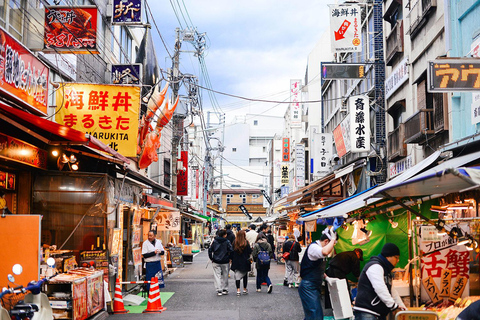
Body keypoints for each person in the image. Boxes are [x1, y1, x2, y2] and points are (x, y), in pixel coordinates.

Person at [353, 243, 407, 320]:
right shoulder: (375, 266)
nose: (398, 260)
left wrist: (402, 308)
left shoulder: (386, 270)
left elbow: (392, 291)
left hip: (378, 313)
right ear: (388, 256)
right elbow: (380, 288)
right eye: (396, 257)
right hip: (367, 312)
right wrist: (393, 306)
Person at [298, 228, 336, 320]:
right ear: (326, 241)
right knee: (315, 316)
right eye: (332, 245)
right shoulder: (314, 247)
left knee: (314, 315)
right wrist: (333, 239)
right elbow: (325, 252)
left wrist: (326, 278)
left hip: (314, 286)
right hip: (308, 286)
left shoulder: (318, 248)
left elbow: (316, 268)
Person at [208, 229, 233, 296]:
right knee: (225, 275)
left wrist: (211, 258)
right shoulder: (227, 241)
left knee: (217, 276)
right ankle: (225, 289)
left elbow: (210, 250)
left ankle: (219, 290)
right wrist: (230, 258)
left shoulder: (215, 241)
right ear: (225, 235)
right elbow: (231, 250)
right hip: (225, 260)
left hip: (216, 260)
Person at [230, 230, 252, 296]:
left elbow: (231, 252)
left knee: (237, 275)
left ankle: (238, 290)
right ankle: (244, 289)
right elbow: (249, 252)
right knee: (245, 275)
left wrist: (231, 259)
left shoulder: (234, 242)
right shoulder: (246, 243)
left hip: (236, 261)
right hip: (245, 261)